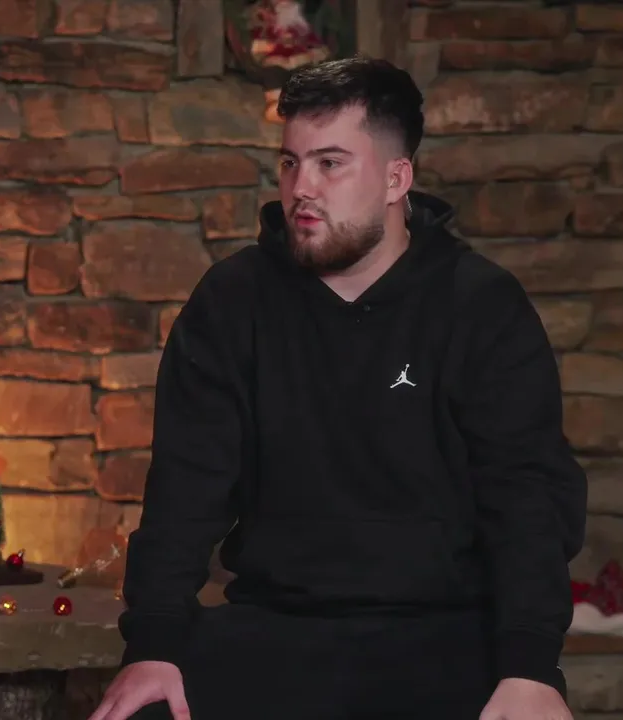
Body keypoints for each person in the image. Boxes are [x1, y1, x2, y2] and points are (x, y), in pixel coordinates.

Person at [91, 57, 586, 720]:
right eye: (290, 163)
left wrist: (530, 665)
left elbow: (526, 496)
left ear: (396, 178)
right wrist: (152, 645)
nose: (302, 188)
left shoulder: (481, 305)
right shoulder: (233, 301)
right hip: (273, 631)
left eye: (330, 163)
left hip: (448, 638)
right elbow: (185, 490)